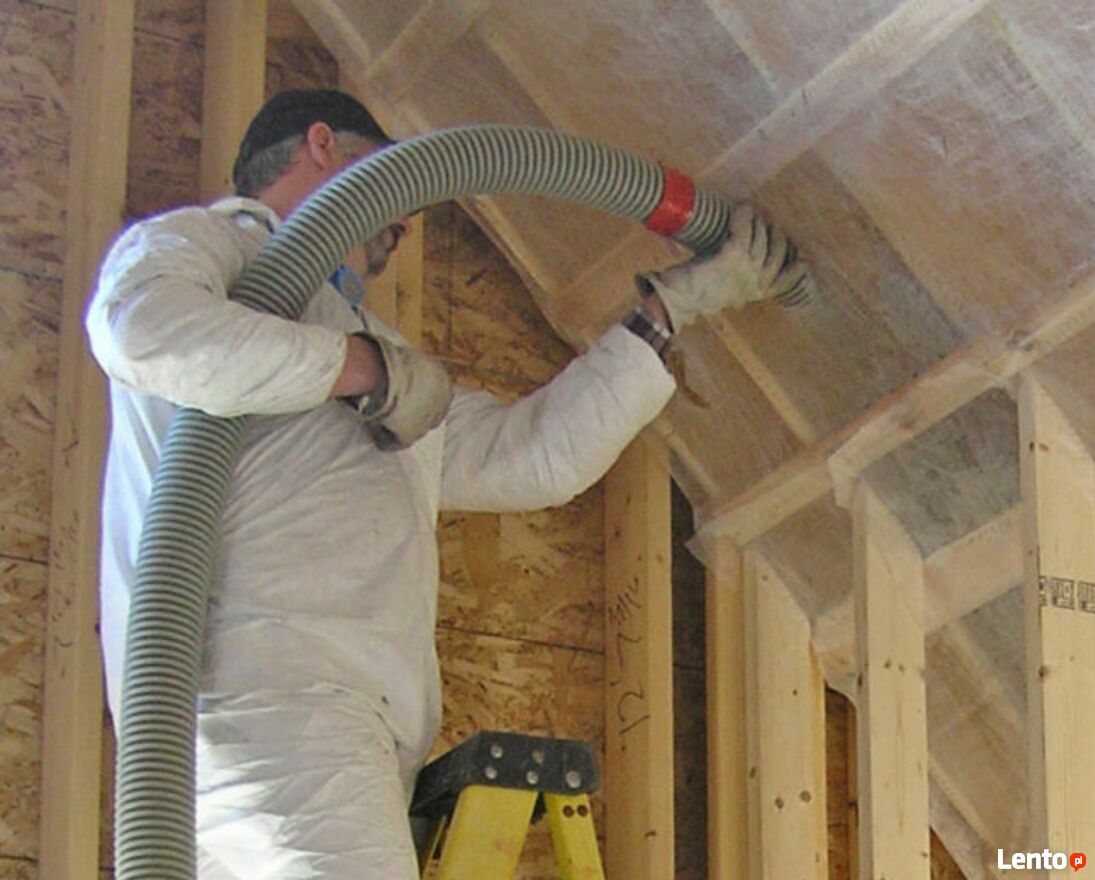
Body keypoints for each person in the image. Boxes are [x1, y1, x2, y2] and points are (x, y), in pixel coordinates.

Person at [86, 89, 809, 879]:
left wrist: (672, 310)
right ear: (322, 145)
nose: (405, 216)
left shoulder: (372, 354)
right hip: (275, 715)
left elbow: (529, 456)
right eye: (389, 179)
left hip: (310, 736)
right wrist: (361, 371)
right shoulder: (211, 245)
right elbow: (143, 332)